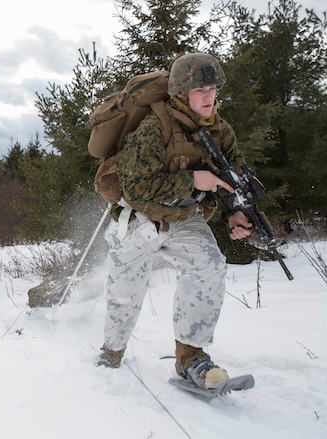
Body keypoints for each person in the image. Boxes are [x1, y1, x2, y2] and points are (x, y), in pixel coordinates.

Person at [96, 53, 253, 391]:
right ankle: (112, 352)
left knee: (209, 265)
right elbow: (136, 187)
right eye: (200, 90)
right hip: (139, 220)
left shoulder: (220, 130)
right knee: (126, 291)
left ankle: (190, 357)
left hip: (185, 219)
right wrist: (193, 181)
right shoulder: (154, 127)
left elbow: (234, 177)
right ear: (181, 93)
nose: (209, 96)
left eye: (212, 88)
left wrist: (237, 210)